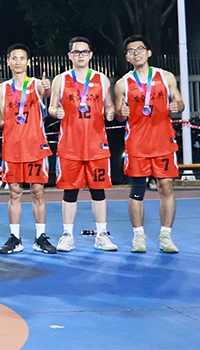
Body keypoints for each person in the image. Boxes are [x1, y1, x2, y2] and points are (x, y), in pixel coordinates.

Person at [114, 35, 184, 254]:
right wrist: (120, 112)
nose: (136, 53)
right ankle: (138, 236)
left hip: (163, 142)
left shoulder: (166, 76)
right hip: (137, 144)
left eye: (140, 49)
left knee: (166, 187)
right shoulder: (122, 83)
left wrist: (178, 105)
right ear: (127, 57)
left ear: (149, 52)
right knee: (137, 190)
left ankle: (166, 236)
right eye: (131, 51)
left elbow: (179, 102)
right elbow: (118, 115)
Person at [48, 37, 118, 253]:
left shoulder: (101, 79)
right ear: (70, 55)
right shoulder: (61, 79)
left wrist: (111, 112)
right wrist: (56, 112)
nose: (80, 55)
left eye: (84, 52)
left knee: (98, 191)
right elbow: (51, 107)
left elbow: (110, 107)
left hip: (96, 145)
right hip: (70, 145)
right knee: (70, 192)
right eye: (76, 52)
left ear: (90, 55)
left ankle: (101, 234)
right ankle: (67, 235)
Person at [0, 44, 57, 255]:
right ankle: (15, 237)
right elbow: (1, 118)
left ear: (28, 62)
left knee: (38, 192)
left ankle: (40, 237)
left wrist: (47, 87)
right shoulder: (2, 89)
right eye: (14, 58)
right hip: (12, 148)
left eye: (22, 58)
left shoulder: (36, 84)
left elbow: (46, 91)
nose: (18, 62)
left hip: (35, 147)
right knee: (14, 193)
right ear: (8, 62)